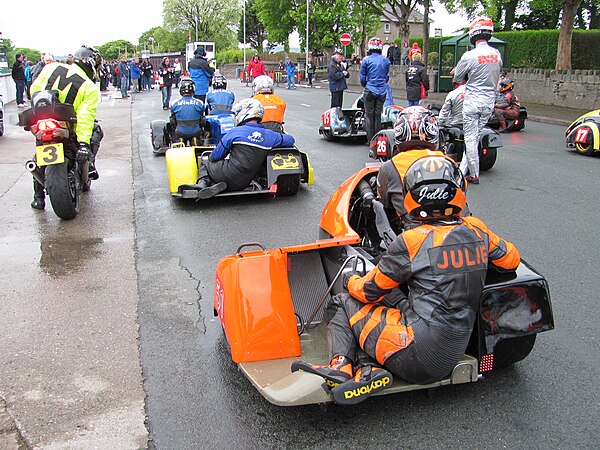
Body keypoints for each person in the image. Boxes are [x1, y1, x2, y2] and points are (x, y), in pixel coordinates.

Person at [292, 154, 520, 405]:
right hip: (452, 351)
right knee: (391, 297)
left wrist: (350, 280)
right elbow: (511, 259)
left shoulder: (412, 241)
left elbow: (368, 291)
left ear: (413, 195)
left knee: (343, 302)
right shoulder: (477, 229)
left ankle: (341, 366)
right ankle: (369, 370)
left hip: (416, 352)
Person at [29, 46, 103, 210]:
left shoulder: (51, 67)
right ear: (91, 64)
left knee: (40, 152)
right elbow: (85, 116)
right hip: (68, 127)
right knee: (96, 130)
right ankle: (89, 164)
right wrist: (83, 144)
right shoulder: (89, 87)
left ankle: (38, 198)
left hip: (43, 121)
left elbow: (34, 91)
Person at [195, 98, 295, 199]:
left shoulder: (235, 132)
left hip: (229, 174)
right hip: (247, 180)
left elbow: (215, 156)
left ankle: (202, 184)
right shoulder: (270, 135)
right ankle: (222, 185)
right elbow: (290, 140)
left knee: (206, 163)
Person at [376, 106, 446, 231]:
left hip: (414, 232)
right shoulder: (447, 162)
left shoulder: (390, 166)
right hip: (454, 227)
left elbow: (384, 204)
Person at [453, 16, 502, 184]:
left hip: (473, 100)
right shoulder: (496, 54)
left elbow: (458, 77)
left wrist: (458, 72)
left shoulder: (469, 55)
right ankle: (462, 171)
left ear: (473, 35)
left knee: (470, 138)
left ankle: (473, 174)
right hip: (489, 102)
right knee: (473, 137)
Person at [360, 37, 390, 144]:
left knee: (369, 115)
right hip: (382, 90)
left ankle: (370, 140)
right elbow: (387, 77)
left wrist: (366, 85)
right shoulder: (386, 60)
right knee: (378, 115)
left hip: (370, 89)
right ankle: (378, 139)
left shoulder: (366, 60)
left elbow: (362, 78)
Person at [169, 78, 205, 145]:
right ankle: (196, 140)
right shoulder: (200, 103)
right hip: (196, 131)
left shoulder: (174, 103)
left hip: (180, 131)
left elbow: (172, 122)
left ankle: (179, 140)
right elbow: (203, 121)